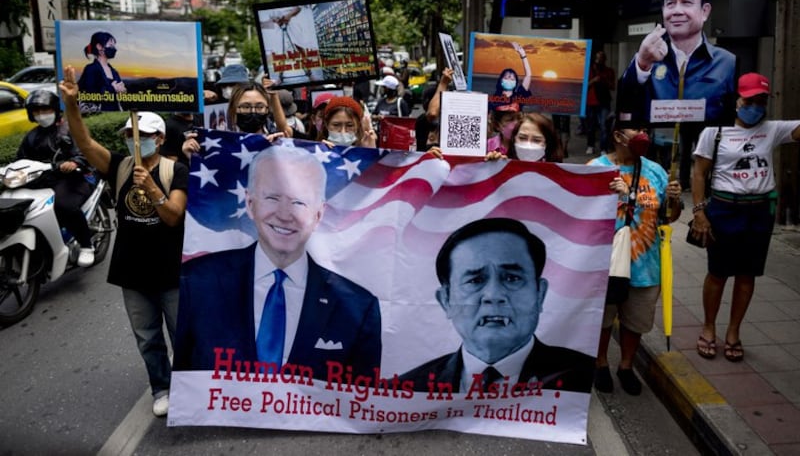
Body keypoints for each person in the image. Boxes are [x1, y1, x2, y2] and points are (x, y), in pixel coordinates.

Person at [173, 145, 382, 378]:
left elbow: (360, 400)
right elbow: (185, 378)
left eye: (299, 202)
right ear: (250, 204)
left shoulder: (358, 306)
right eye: (272, 197)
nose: (284, 214)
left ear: (319, 215)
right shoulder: (198, 282)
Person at [59, 65, 189, 417]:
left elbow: (174, 216)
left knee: (182, 335)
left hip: (171, 270)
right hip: (132, 271)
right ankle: (161, 387)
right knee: (147, 337)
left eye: (143, 133)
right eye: (130, 133)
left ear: (159, 138)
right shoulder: (119, 166)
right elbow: (84, 142)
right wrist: (71, 104)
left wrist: (152, 190)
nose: (136, 138)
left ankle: (189, 387)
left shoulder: (175, 171)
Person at [399, 217, 594, 393]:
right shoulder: (407, 390)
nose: (493, 295)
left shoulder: (583, 378)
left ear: (539, 294)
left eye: (512, 278)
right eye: (475, 281)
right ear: (446, 301)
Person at [692, 73, 800, 362]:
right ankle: (708, 327)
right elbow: (699, 173)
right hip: (725, 209)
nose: (755, 106)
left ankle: (733, 332)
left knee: (747, 274)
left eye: (761, 101)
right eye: (749, 100)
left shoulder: (773, 129)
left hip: (760, 211)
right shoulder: (715, 131)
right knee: (718, 272)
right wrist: (699, 211)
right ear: (737, 99)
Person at [589, 113, 682, 395]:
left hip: (645, 264)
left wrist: (675, 201)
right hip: (605, 262)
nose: (643, 134)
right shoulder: (596, 168)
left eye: (645, 128)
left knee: (636, 321)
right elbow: (584, 213)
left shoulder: (656, 171)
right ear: (618, 136)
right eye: (636, 129)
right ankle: (601, 362)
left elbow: (669, 217)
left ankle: (626, 366)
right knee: (603, 318)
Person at [618, 0, 737, 190]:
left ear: (704, 11)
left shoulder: (727, 63)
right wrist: (642, 64)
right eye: (670, 3)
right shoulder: (646, 59)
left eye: (686, 2)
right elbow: (625, 110)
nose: (677, 11)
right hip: (654, 178)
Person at [15, 89, 96, 266]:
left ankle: (86, 245)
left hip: (75, 178)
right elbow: (20, 159)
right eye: (36, 111)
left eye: (45, 110)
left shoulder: (69, 130)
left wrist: (74, 162)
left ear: (54, 110)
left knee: (62, 204)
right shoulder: (31, 136)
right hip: (44, 181)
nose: (41, 115)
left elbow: (84, 151)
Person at [77, 31, 126, 112]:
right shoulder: (91, 69)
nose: (114, 48)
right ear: (99, 46)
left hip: (115, 113)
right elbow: (90, 95)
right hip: (99, 116)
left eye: (113, 46)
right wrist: (112, 89)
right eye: (110, 45)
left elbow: (119, 92)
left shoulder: (114, 71)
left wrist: (122, 90)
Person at [488, 112, 564, 163]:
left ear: (548, 143)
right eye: (522, 138)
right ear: (514, 139)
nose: (528, 145)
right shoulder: (504, 162)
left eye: (536, 140)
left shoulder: (558, 174)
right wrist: (494, 166)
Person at [585, 49, 616, 155]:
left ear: (605, 59)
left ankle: (603, 148)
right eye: (597, 58)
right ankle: (590, 145)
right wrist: (593, 80)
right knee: (591, 126)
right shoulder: (589, 71)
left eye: (601, 58)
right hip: (591, 101)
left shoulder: (609, 71)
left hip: (604, 102)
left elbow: (613, 87)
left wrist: (605, 80)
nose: (599, 60)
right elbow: (583, 87)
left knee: (604, 126)